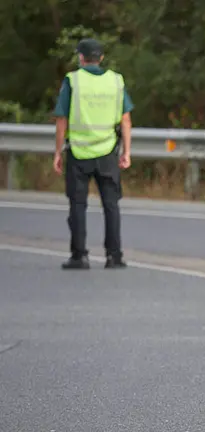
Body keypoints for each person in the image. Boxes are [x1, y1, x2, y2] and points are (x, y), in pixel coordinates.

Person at [52, 38, 133, 270]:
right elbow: (126, 119)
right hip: (107, 151)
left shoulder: (73, 81)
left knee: (77, 205)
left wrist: (58, 152)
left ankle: (79, 255)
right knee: (111, 204)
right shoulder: (115, 81)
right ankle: (114, 255)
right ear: (102, 58)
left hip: (79, 152)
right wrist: (126, 151)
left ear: (80, 58)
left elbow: (61, 119)